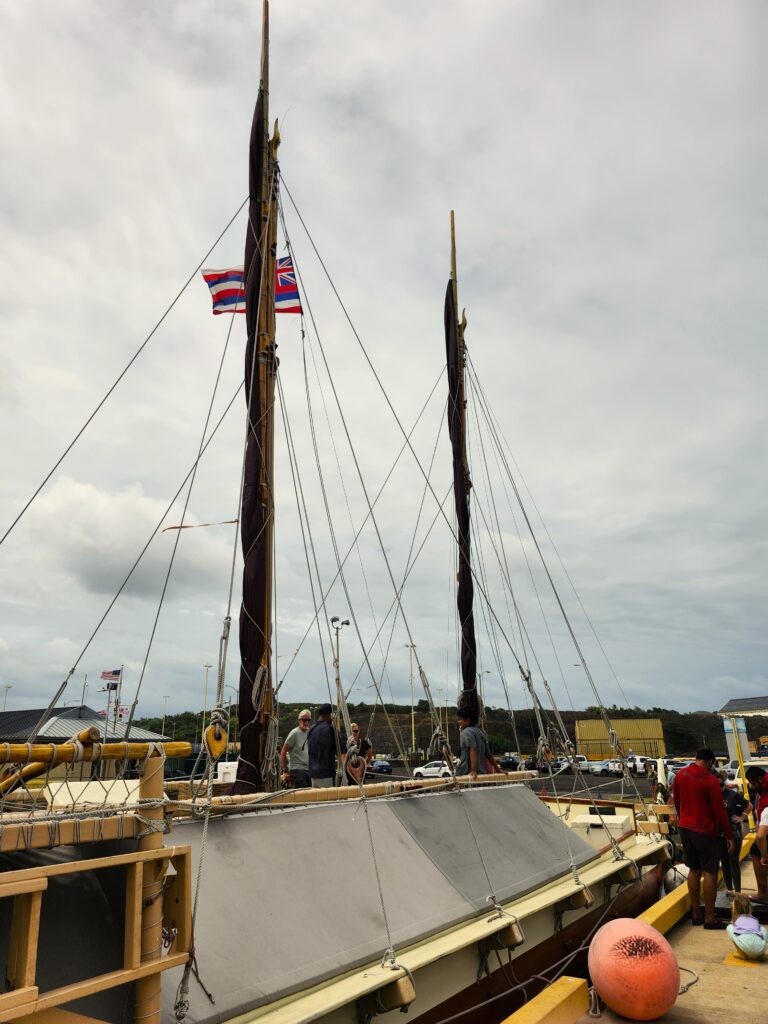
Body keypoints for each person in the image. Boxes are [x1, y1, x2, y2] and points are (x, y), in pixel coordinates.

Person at [672, 747, 734, 929]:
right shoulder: (710, 780)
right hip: (705, 830)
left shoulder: (681, 775)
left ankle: (695, 913)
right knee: (710, 871)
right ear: (710, 762)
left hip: (685, 827)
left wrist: (682, 817)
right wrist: (729, 834)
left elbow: (676, 800)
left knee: (694, 869)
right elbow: (719, 810)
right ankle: (709, 917)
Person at [720, 779, 750, 895]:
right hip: (720, 833)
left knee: (733, 861)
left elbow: (749, 805)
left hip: (733, 832)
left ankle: (738, 891)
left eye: (721, 784)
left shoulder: (733, 795)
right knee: (724, 861)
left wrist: (742, 817)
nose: (719, 787)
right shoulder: (712, 794)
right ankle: (729, 889)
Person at [746, 765, 768, 903]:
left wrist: (764, 856)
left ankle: (763, 894)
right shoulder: (763, 788)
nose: (752, 787)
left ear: (760, 779)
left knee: (757, 850)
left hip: (765, 830)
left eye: (753, 783)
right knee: (755, 849)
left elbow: (760, 836)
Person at [455, 707, 493, 780]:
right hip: (481, 773)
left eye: (460, 719)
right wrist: (497, 769)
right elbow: (488, 754)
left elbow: (473, 749)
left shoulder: (466, 732)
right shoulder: (482, 732)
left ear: (467, 720)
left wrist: (473, 770)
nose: (458, 722)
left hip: (465, 772)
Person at [307, 703, 339, 788]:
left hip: (313, 774)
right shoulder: (329, 729)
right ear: (330, 715)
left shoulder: (311, 729)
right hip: (326, 774)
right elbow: (338, 748)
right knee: (328, 800)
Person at [726, 894, 767, 960]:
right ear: (750, 907)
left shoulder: (736, 920)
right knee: (762, 929)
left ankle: (741, 953)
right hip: (761, 948)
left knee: (729, 927)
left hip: (745, 946)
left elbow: (735, 931)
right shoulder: (754, 919)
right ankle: (761, 955)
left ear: (734, 908)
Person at [279, 709, 312, 788]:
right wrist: (285, 771)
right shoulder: (294, 733)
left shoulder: (310, 732)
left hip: (309, 770)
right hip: (297, 770)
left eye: (308, 720)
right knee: (303, 795)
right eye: (304, 720)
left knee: (311, 796)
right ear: (299, 720)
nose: (306, 722)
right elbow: (283, 751)